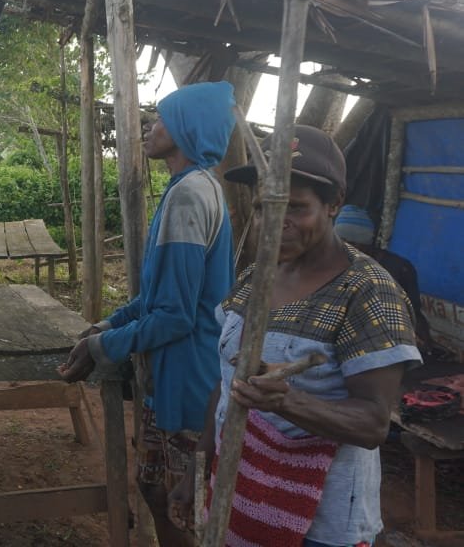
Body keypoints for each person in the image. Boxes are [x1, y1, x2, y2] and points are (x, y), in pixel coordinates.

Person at [170, 125, 423, 546]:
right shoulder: (252, 279)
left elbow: (374, 423)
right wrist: (200, 464)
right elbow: (224, 381)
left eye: (296, 208)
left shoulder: (366, 291)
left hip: (322, 525)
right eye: (264, 207)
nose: (276, 223)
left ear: (334, 204)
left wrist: (286, 401)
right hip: (242, 497)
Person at [59, 81, 237, 546]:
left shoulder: (188, 197)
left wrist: (100, 346)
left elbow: (176, 316)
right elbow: (155, 298)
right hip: (175, 376)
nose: (150, 127)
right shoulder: (195, 189)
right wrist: (106, 325)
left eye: (160, 119)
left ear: (184, 128)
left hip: (187, 382)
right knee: (155, 489)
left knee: (182, 505)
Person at [334, 204, 435, 356]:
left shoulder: (399, 268)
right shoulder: (333, 263)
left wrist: (420, 339)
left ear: (368, 242)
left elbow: (412, 310)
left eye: (354, 243)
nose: (347, 247)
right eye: (342, 241)